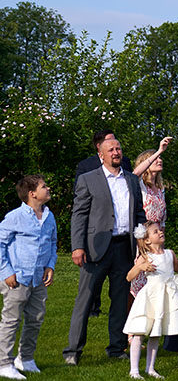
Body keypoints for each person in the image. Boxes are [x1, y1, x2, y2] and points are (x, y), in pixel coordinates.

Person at [64, 134, 146, 365]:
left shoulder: (131, 180)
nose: (116, 152)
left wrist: (142, 240)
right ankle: (73, 351)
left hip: (124, 248)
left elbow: (139, 213)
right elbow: (79, 214)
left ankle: (117, 348)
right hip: (95, 248)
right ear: (101, 154)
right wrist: (78, 246)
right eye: (111, 149)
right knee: (86, 300)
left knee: (120, 300)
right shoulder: (88, 179)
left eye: (118, 148)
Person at [0, 175, 56, 380]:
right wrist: (6, 272)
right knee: (11, 320)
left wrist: (50, 266)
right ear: (32, 194)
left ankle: (25, 358)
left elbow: (52, 243)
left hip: (38, 279)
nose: (48, 188)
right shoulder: (14, 217)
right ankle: (4, 363)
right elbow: (0, 245)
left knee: (36, 318)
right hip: (17, 279)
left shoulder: (49, 216)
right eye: (44, 186)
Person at [122, 221, 178, 379]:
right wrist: (141, 267)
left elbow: (176, 269)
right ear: (147, 240)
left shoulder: (169, 253)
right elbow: (129, 277)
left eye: (160, 230)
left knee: (155, 334)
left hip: (164, 297)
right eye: (155, 231)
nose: (160, 232)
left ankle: (150, 368)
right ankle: (134, 370)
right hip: (150, 297)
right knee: (139, 332)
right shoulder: (145, 257)